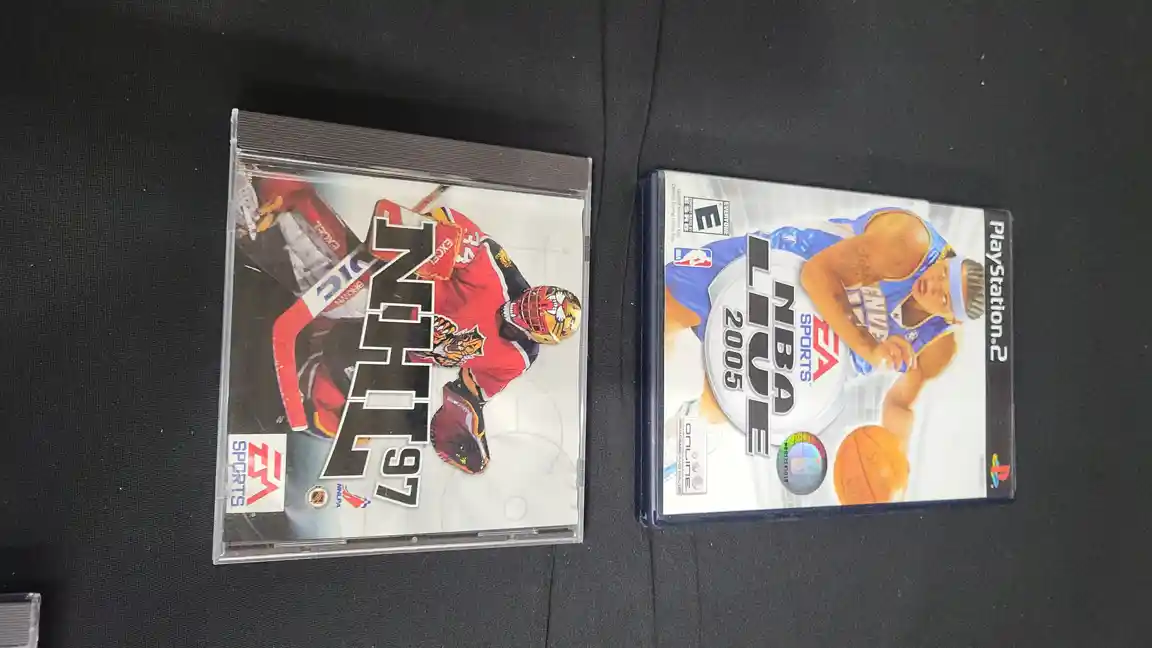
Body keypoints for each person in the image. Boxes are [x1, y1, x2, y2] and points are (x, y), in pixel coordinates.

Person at [293, 201, 582, 474]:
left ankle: (308, 386)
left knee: (350, 404)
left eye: (529, 318)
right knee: (339, 286)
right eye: (528, 301)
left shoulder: (517, 359)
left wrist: (465, 432)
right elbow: (451, 223)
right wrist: (437, 236)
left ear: (538, 336)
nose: (519, 309)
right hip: (393, 296)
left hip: (396, 350)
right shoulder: (495, 270)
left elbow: (469, 393)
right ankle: (286, 230)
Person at [665, 207, 986, 450]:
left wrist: (894, 457)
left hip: (796, 356)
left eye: (944, 297)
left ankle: (667, 448)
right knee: (660, 301)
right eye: (944, 273)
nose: (934, 285)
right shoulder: (910, 243)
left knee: (710, 412)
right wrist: (871, 347)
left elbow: (900, 404)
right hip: (776, 269)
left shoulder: (938, 345)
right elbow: (816, 275)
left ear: (953, 319)